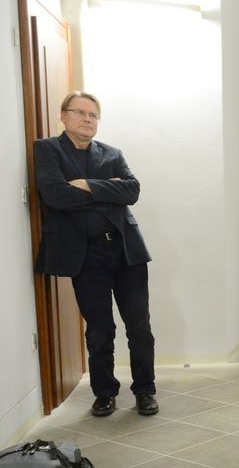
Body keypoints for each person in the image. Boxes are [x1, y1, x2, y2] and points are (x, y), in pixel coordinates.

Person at [33, 91, 158, 417]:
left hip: (127, 251)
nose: (87, 119)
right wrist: (107, 189)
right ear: (64, 116)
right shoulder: (47, 149)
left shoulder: (112, 153)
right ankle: (104, 393)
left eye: (93, 115)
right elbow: (55, 196)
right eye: (80, 113)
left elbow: (131, 191)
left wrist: (85, 185)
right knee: (100, 329)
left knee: (139, 327)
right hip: (86, 255)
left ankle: (145, 390)